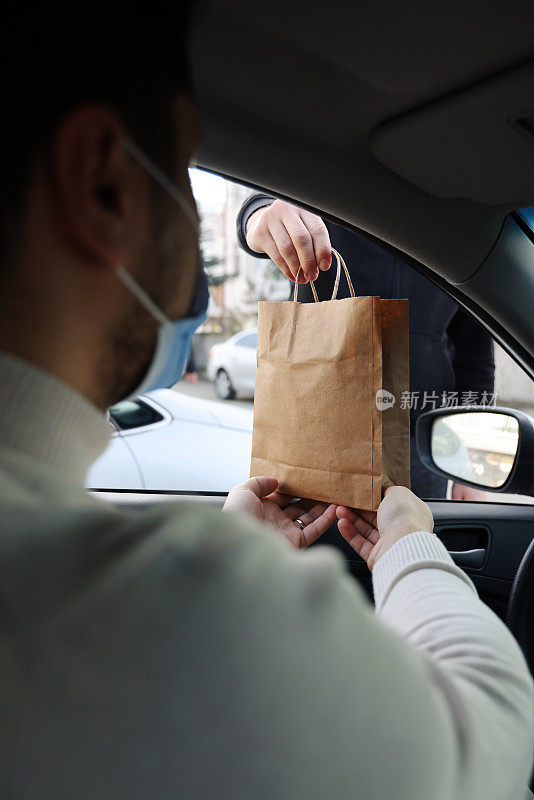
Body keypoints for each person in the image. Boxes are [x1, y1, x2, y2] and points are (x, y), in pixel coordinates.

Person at [0, 6, 532, 800]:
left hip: (412, 444)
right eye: (181, 170)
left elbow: (472, 357)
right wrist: (410, 550)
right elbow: (483, 744)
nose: (197, 224)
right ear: (104, 185)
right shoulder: (183, 609)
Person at [237, 195, 496, 500]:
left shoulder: (458, 220)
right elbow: (258, 204)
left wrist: (472, 461)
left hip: (420, 443)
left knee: (412, 545)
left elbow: (475, 354)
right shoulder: (334, 178)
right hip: (315, 432)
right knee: (309, 542)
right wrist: (260, 216)